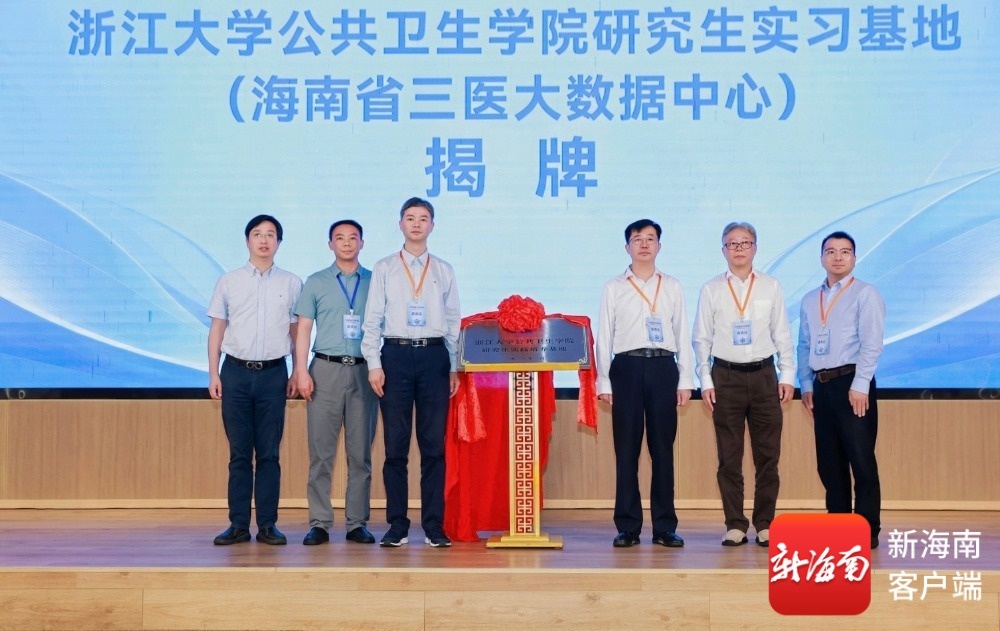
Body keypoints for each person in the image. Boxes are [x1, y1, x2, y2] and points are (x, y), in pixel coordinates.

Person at [361, 197, 461, 548]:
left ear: (432, 225)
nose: (416, 224)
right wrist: (374, 364)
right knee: (395, 447)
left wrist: (453, 365)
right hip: (396, 356)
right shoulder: (385, 267)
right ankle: (397, 525)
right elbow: (372, 319)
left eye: (423, 218)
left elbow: (453, 321)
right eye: (410, 218)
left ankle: (434, 525)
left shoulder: (444, 269)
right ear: (400, 224)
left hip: (434, 357)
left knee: (433, 447)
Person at [692, 222, 795, 548]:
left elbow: (782, 333)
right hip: (726, 377)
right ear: (723, 250)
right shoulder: (711, 289)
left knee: (768, 457)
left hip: (765, 376)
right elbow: (701, 339)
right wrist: (705, 379)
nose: (738, 249)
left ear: (755, 248)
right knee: (729, 457)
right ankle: (735, 524)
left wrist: (787, 375)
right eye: (732, 243)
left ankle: (765, 523)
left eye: (745, 243)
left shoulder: (771, 286)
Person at [596, 218, 694, 549]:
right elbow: (604, 335)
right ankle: (628, 526)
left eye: (650, 238)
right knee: (626, 449)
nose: (644, 244)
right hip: (625, 367)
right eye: (637, 239)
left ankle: (665, 526)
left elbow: (682, 332)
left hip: (663, 367)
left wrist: (685, 379)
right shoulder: (613, 287)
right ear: (627, 247)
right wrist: (604, 381)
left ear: (659, 246)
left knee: (662, 449)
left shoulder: (673, 286)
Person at [207, 215, 302, 546]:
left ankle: (267, 525)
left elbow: (296, 331)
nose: (264, 240)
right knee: (239, 454)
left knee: (269, 454)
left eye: (271, 235)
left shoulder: (292, 283)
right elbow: (217, 330)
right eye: (258, 234)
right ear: (247, 240)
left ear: (279, 242)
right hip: (234, 373)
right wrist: (213, 372)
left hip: (274, 375)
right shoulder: (228, 281)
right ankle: (237, 525)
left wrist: (297, 370)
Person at [797, 230, 885, 549]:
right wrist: (806, 384)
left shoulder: (865, 293)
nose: (837, 257)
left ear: (854, 258)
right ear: (822, 258)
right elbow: (804, 345)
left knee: (860, 459)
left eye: (844, 251)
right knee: (829, 462)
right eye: (831, 251)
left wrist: (861, 384)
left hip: (852, 384)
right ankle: (838, 524)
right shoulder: (811, 300)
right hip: (821, 387)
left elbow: (872, 343)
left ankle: (867, 528)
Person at [294, 220, 379, 546]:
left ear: (362, 243)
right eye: (339, 238)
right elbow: (303, 329)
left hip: (364, 371)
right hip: (324, 371)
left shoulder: (375, 281)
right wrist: (301, 371)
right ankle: (319, 522)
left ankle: (357, 523)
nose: (346, 243)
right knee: (321, 453)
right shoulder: (316, 282)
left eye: (352, 238)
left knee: (360, 454)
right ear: (330, 244)